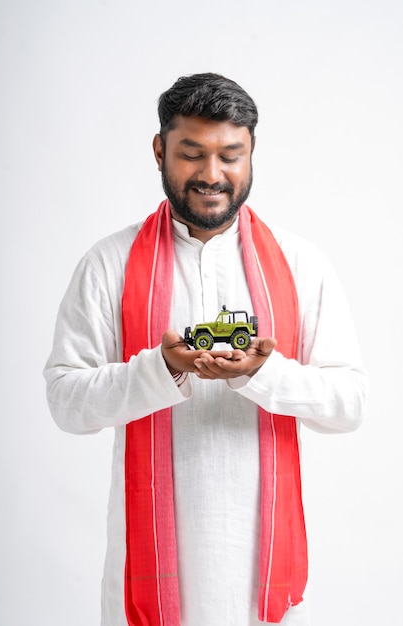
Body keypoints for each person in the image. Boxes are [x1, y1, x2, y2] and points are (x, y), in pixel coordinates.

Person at [44, 73, 368, 626]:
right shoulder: (109, 263)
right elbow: (66, 402)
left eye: (230, 156)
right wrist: (160, 369)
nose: (211, 175)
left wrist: (265, 374)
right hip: (146, 578)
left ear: (253, 153)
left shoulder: (301, 264)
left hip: (265, 579)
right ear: (159, 150)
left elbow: (349, 405)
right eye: (192, 154)